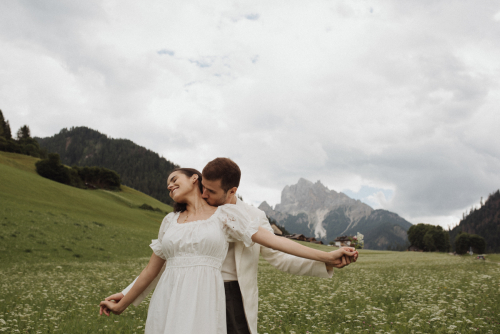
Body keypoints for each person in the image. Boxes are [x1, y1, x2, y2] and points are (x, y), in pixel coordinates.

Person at [100, 163, 358, 334]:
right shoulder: (171, 220)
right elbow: (161, 265)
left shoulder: (241, 216)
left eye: (210, 191)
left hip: (228, 294)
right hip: (176, 295)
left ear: (231, 190)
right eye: (204, 189)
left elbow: (277, 251)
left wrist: (326, 258)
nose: (204, 194)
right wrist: (125, 297)